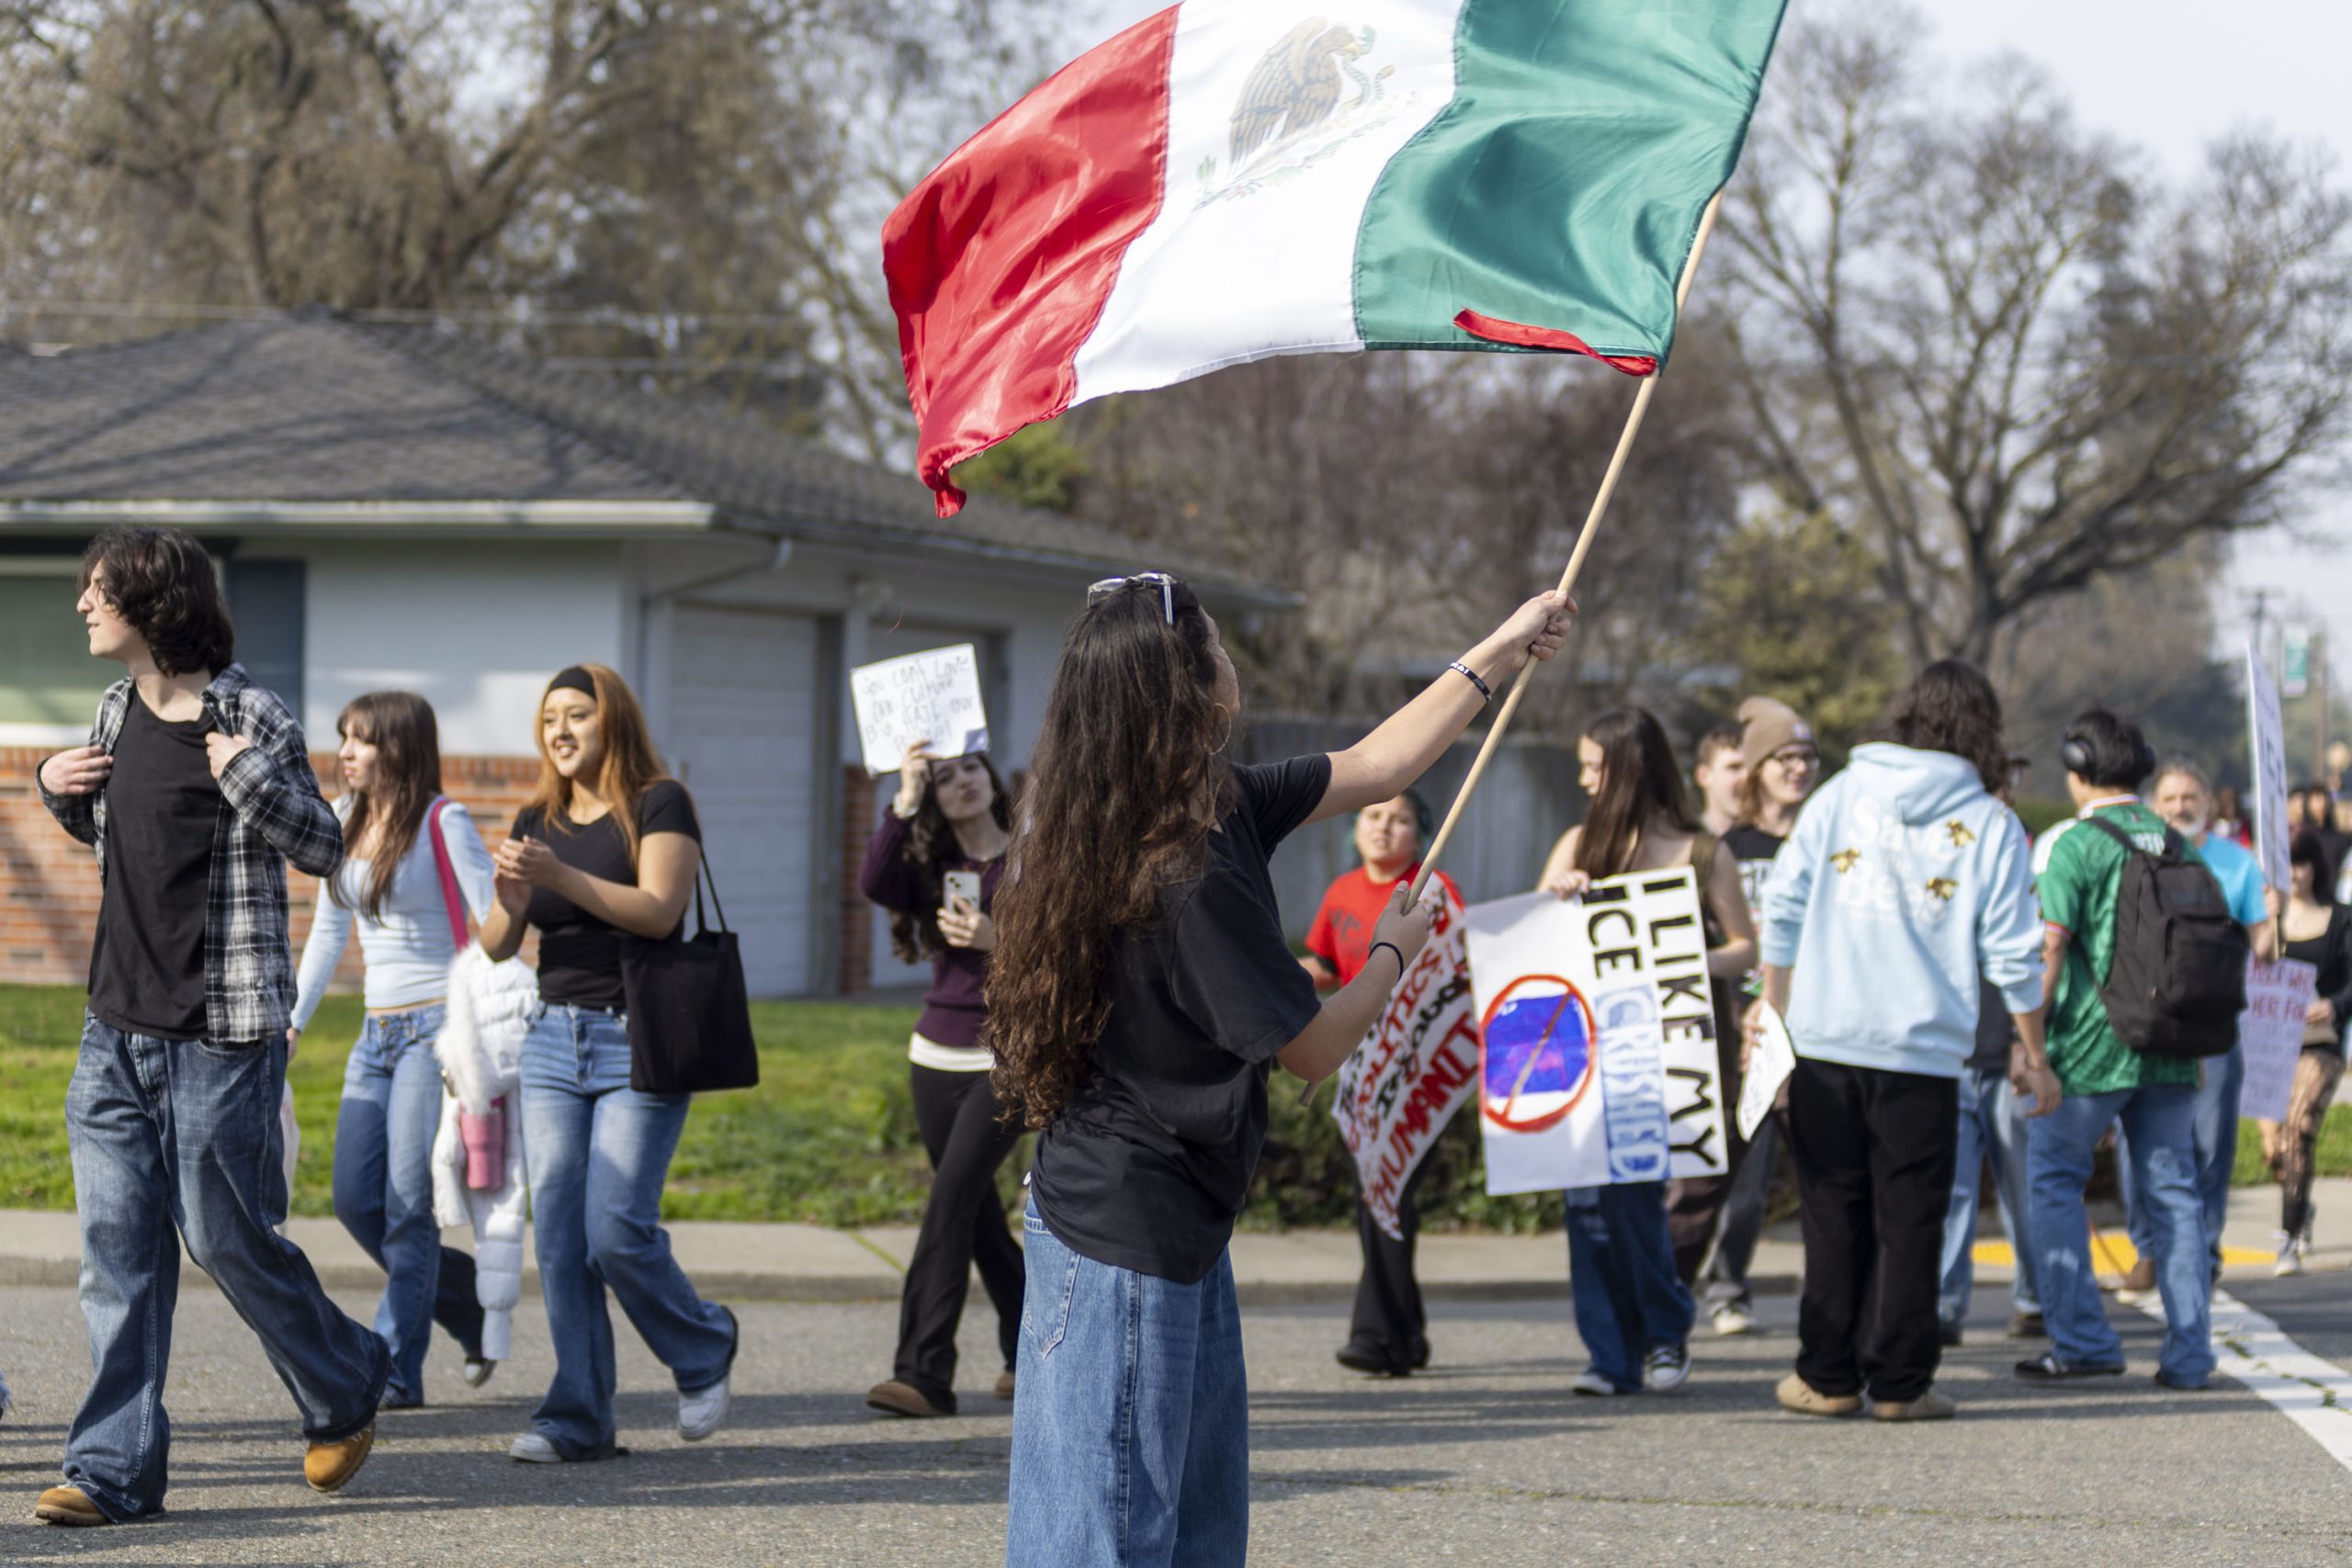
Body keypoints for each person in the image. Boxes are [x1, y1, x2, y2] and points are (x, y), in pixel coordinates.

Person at [989, 572, 1569, 1565]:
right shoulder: (1181, 867)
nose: (1231, 661)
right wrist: (1394, 952)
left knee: (1194, 1529)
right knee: (1112, 1536)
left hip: (1159, 1221)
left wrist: (1504, 646)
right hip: (1129, 1237)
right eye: (1214, 646)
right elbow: (1309, 1048)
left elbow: (1378, 760)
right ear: (1182, 684)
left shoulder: (1189, 802)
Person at [32, 525, 388, 1527]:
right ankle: (112, 1471)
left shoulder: (249, 712)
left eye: (97, 590)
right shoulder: (111, 710)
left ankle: (346, 1376)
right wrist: (56, 794)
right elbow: (127, 840)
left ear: (151, 601)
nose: (82, 606)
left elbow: (326, 849)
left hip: (220, 1030)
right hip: (116, 1027)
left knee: (226, 1238)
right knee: (117, 1255)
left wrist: (248, 776)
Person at [1753, 660, 2054, 1422]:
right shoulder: (1989, 823)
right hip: (1921, 1054)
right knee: (1912, 1219)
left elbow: (1783, 906)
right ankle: (1900, 1383)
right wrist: (2034, 1053)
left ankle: (1826, 1375)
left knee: (1831, 1214)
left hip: (1824, 1038)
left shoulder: (1839, 795)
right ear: (1983, 729)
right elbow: (2014, 952)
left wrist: (1773, 1011)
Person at [476, 663, 739, 1462]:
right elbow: (495, 945)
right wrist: (514, 900)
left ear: (612, 720)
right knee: (557, 1236)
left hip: (638, 1035)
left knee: (614, 1226)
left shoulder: (661, 802)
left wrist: (560, 876)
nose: (560, 729)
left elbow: (659, 913)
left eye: (577, 715)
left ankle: (703, 1343)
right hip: (553, 1036)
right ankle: (578, 1415)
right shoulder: (535, 815)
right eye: (549, 716)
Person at [1537, 707, 1756, 1395]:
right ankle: (1609, 1354)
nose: (1583, 779)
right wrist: (1557, 897)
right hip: (1589, 1053)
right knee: (1588, 1207)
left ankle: (1663, 1334)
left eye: (1594, 766)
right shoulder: (1578, 843)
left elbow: (1746, 946)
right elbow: (1533, 941)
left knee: (1636, 1201)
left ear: (1630, 771)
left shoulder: (1702, 852)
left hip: (1671, 1052)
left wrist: (1690, 960)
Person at [291, 692, 497, 1408]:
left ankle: (395, 1368)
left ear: (400, 749)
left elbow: (493, 925)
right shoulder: (343, 821)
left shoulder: (446, 821)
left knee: (408, 1206)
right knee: (354, 1198)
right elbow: (326, 934)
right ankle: (459, 1295)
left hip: (434, 1031)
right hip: (375, 1033)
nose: (344, 750)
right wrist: (292, 1021)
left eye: (361, 740)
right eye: (343, 736)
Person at [2021, 709, 2217, 1391]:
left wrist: (2032, 1047)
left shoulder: (2076, 845)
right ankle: (2191, 1353)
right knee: (2175, 1194)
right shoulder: (2177, 840)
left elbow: (2050, 948)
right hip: (2170, 1046)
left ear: (2078, 768)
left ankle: (2082, 1341)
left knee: (2052, 1180)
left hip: (2090, 1049)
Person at [857, 740, 1023, 1418]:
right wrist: (902, 795)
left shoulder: (1034, 856)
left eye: (971, 768)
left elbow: (1071, 949)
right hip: (934, 1054)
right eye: (945, 776)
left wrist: (997, 939)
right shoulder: (930, 866)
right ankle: (1032, 1343)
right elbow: (874, 882)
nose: (962, 782)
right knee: (976, 1213)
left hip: (1006, 1057)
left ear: (991, 776)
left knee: (949, 1199)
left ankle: (924, 1371)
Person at [1300, 790, 1460, 1379]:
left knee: (1385, 1194)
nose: (1384, 828)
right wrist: (1296, 973)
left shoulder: (1433, 891)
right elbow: (1326, 964)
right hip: (1358, 1064)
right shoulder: (1340, 892)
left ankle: (1376, 1335)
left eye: (1401, 820)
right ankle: (1404, 1334)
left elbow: (1456, 970)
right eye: (1374, 816)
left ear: (1420, 835)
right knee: (1377, 1197)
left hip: (1416, 1070)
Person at [2110, 759, 2274, 1299]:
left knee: (2211, 1143)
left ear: (2208, 802)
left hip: (2214, 1029)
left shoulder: (2240, 863)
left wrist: (2272, 916)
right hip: (2150, 1024)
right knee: (2140, 1143)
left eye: (2190, 798)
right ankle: (2149, 1251)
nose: (2181, 807)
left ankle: (2203, 1251)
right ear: (2154, 806)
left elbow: (2265, 953)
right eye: (2171, 799)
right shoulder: (2137, 859)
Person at [1694, 696, 1817, 1333]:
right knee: (1744, 1172)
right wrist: (1742, 1010)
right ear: (1761, 767)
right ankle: (1725, 1289)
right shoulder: (1727, 847)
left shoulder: (1826, 839)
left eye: (1808, 758)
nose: (1799, 769)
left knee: (1824, 1174)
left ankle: (1828, 1293)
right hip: (1744, 1027)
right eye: (1786, 757)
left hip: (1817, 1027)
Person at [2269, 830, 2350, 1275]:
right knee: (2277, 1146)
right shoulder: (2268, 921)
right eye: (2287, 863)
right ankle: (2301, 1207)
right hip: (2272, 1044)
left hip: (2320, 1042)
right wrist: (2261, 926)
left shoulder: (2340, 919)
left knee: (2300, 1126)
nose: (2295, 873)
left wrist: (2333, 1006)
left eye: (2301, 863)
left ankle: (2288, 1234)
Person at [1693, 723, 1747, 838]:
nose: (1747, 776)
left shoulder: (1780, 847)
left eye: (1752, 767)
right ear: (1704, 776)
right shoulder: (1684, 843)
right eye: (1734, 767)